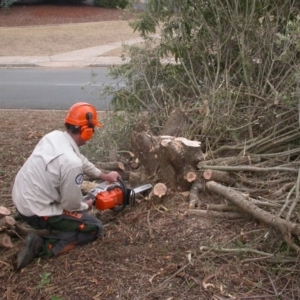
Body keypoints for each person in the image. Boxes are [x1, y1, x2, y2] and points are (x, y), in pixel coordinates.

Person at [12, 102, 120, 270]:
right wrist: (88, 203)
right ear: (87, 131)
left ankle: (45, 224)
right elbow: (71, 205)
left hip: (21, 198)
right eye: (93, 130)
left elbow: (80, 160)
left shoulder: (54, 137)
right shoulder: (71, 163)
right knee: (95, 228)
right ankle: (43, 245)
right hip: (36, 210)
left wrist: (104, 176)